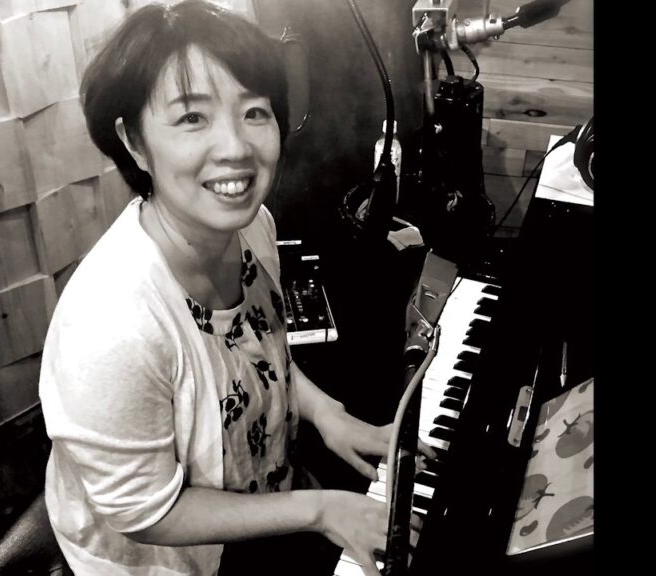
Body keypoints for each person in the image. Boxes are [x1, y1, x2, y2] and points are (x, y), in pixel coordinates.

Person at [39, 2, 423, 574]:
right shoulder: (111, 327)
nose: (236, 147)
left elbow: (252, 353)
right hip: (172, 558)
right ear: (135, 141)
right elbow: (145, 512)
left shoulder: (251, 226)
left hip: (265, 498)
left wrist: (326, 414)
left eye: (254, 112)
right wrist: (319, 509)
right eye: (193, 118)